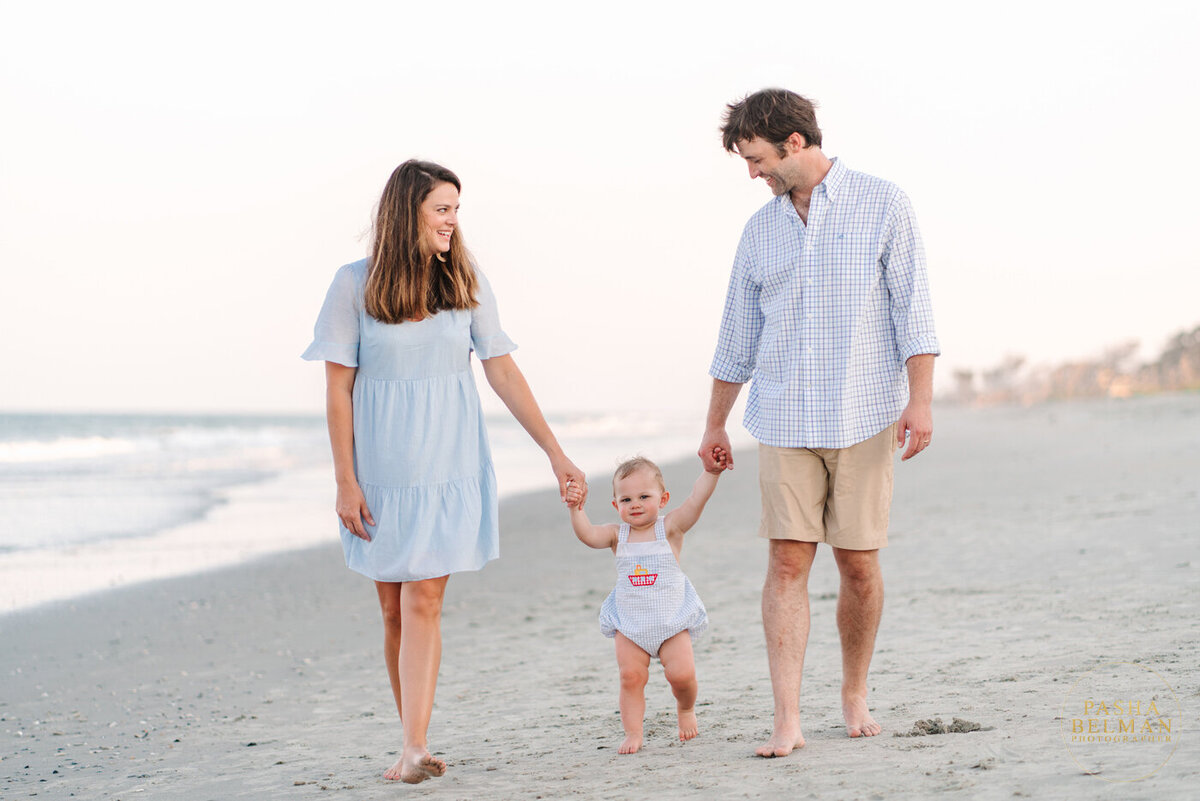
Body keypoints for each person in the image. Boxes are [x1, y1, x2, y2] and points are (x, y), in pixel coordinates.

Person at [302, 159, 587, 783]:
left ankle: (412, 748)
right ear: (409, 213)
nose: (453, 223)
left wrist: (555, 452)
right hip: (379, 474)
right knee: (393, 609)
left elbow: (503, 370)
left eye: (456, 210)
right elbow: (337, 391)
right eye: (442, 210)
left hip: (446, 464)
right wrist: (345, 481)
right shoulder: (354, 286)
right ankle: (412, 741)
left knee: (424, 597)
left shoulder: (463, 280)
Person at [698, 89, 940, 757]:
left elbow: (913, 311)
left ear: (795, 143)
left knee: (859, 566)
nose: (752, 175)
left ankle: (854, 693)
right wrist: (715, 424)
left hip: (864, 415)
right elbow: (735, 339)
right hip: (781, 417)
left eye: (757, 160)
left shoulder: (883, 203)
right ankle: (788, 718)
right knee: (785, 560)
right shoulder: (760, 231)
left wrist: (919, 400)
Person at [565, 452, 728, 754]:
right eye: (626, 500)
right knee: (630, 677)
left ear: (663, 498)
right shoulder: (617, 535)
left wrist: (712, 473)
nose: (635, 504)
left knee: (681, 675)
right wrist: (576, 509)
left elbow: (696, 501)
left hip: (671, 622)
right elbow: (587, 535)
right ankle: (633, 732)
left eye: (644, 496)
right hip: (630, 626)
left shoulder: (670, 528)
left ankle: (685, 708)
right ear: (616, 506)